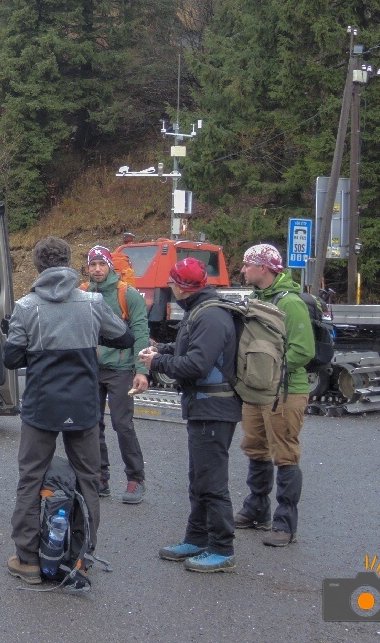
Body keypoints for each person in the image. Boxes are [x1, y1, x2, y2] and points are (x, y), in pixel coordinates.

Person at [4, 237, 133, 592]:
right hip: (83, 406)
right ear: (69, 263)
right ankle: (80, 559)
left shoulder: (26, 306)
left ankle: (28, 560)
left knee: (30, 479)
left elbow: (11, 359)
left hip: (42, 406)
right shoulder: (92, 302)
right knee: (88, 479)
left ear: (38, 267)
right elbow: (122, 337)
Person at [139, 257, 240, 573]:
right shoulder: (201, 311)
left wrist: (156, 364)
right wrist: (162, 351)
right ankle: (196, 539)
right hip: (205, 407)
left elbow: (197, 365)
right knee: (199, 479)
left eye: (172, 282)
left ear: (182, 287)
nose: (169, 287)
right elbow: (190, 350)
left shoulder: (210, 317)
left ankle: (222, 549)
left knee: (212, 482)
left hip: (214, 408)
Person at [235, 244, 314, 546]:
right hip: (256, 390)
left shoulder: (291, 303)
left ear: (263, 269)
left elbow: (304, 350)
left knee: (284, 453)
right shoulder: (255, 299)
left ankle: (285, 524)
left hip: (285, 391)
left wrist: (273, 375)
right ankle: (256, 510)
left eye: (247, 265)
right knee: (254, 447)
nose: (242, 270)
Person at [82, 245, 150, 504]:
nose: (97, 269)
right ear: (87, 268)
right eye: (93, 264)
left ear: (111, 266)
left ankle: (136, 478)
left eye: (102, 264)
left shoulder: (128, 294)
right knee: (92, 424)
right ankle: (100, 477)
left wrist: (141, 370)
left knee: (122, 425)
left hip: (120, 370)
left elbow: (141, 333)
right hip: (92, 368)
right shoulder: (83, 293)